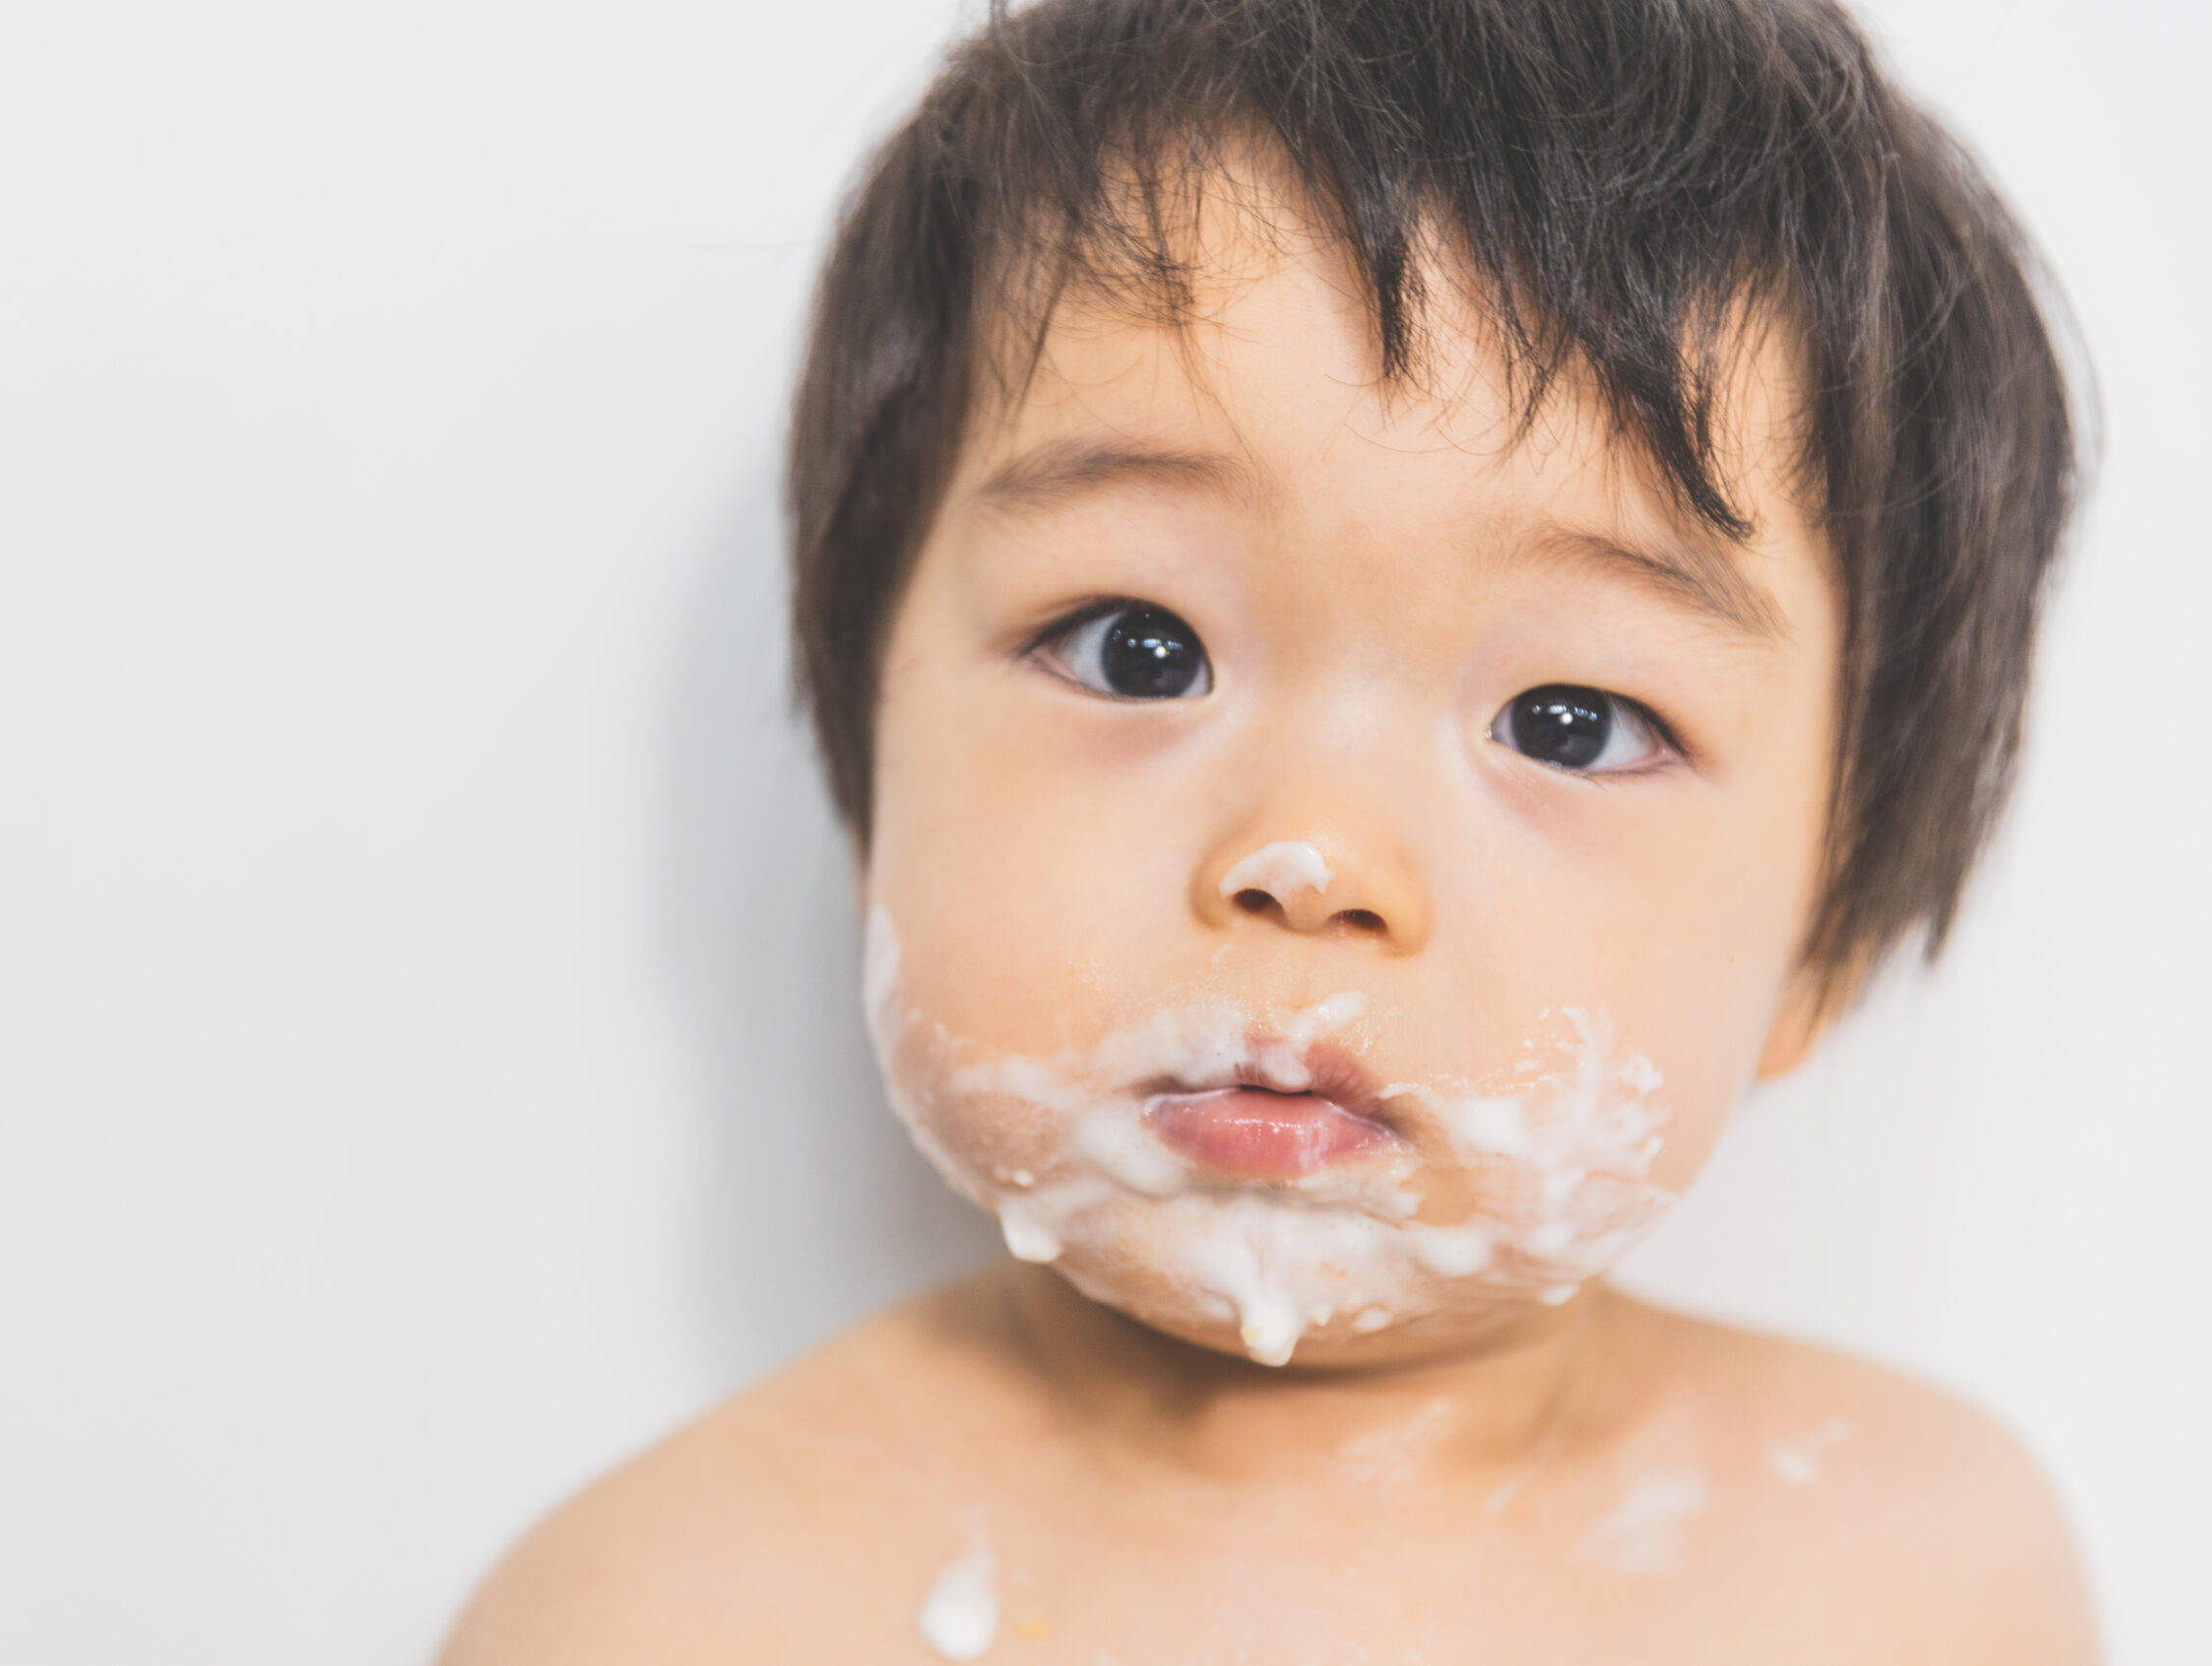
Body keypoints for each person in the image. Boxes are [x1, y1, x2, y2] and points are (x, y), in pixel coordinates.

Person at [441, 0, 2093, 1657]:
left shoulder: (1915, 1578)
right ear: (872, 779)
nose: (1310, 862)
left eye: (1570, 723)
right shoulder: (654, 1616)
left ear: (1825, 936)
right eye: (1136, 649)